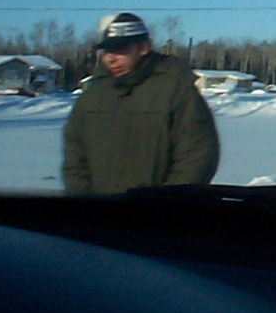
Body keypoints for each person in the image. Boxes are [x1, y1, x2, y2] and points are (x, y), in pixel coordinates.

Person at [62, 12, 220, 193]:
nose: (110, 58)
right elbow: (74, 153)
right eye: (107, 51)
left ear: (143, 48)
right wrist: (84, 200)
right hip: (98, 215)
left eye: (120, 50)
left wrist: (168, 203)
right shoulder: (94, 92)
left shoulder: (174, 89)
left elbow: (197, 156)